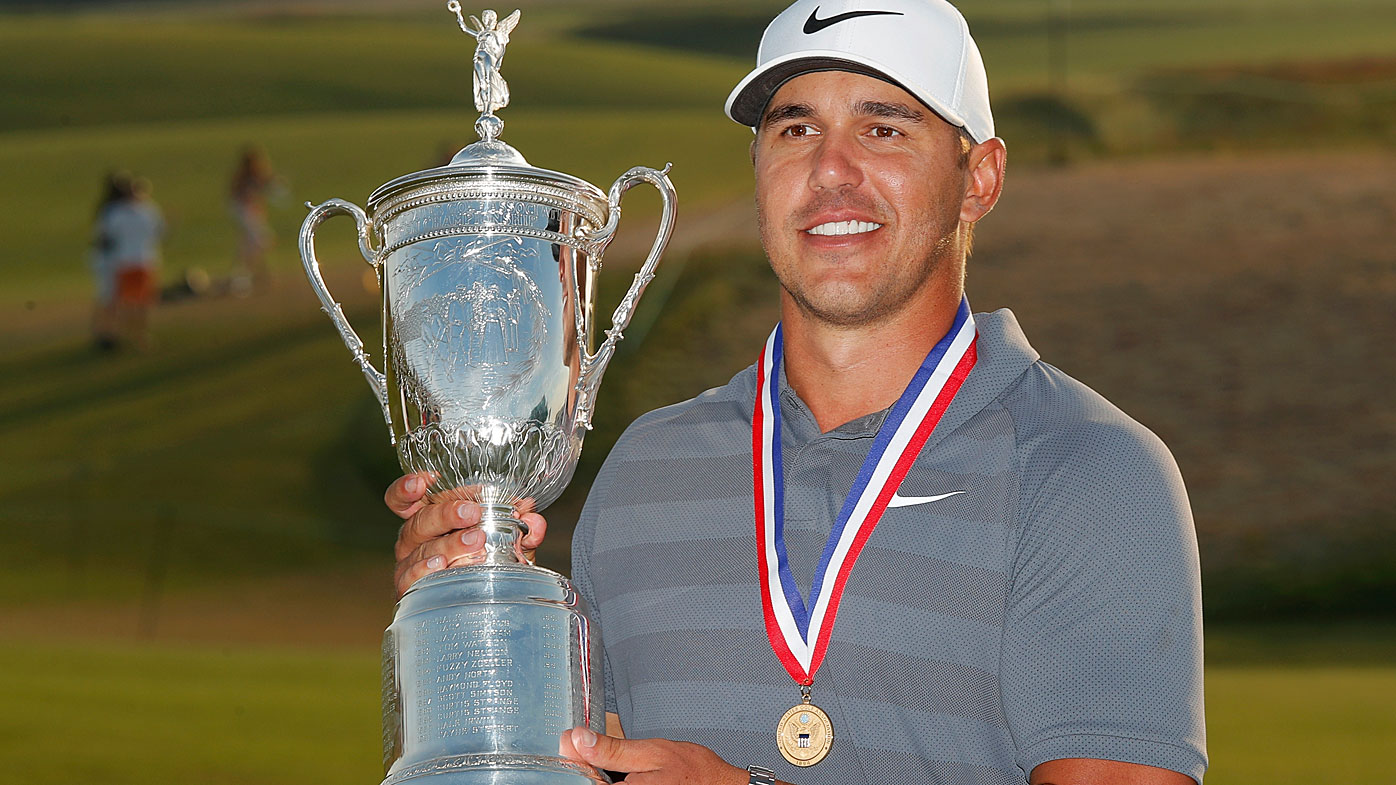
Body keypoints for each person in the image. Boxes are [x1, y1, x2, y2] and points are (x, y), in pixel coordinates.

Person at [386, 1, 1206, 783]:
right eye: (795, 127)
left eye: (884, 126)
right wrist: (469, 618)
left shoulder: (1091, 471)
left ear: (979, 179)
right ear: (758, 172)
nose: (831, 170)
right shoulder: (646, 470)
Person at [100, 175, 165, 350]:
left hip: (129, 261)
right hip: (140, 261)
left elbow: (106, 238)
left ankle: (133, 334)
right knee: (138, 302)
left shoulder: (117, 213)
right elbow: (160, 233)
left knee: (134, 301)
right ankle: (138, 335)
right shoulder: (149, 211)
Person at [228, 144, 284, 293]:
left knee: (251, 245)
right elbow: (244, 197)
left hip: (249, 214)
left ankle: (251, 277)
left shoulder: (251, 176)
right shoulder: (244, 177)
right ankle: (247, 278)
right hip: (245, 214)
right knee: (259, 242)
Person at [89, 171, 130, 351]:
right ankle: (105, 333)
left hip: (106, 259)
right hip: (107, 260)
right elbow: (105, 240)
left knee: (109, 298)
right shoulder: (112, 211)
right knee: (109, 298)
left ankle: (106, 332)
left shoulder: (107, 208)